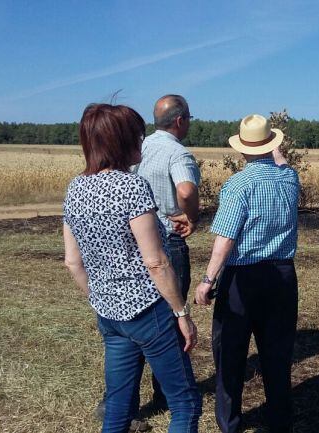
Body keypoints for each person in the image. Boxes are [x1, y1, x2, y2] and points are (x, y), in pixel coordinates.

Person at [63, 103, 202, 433]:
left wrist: (100, 297)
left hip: (109, 315)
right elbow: (155, 261)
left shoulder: (75, 188)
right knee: (185, 404)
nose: (142, 142)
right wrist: (181, 313)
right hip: (148, 311)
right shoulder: (131, 187)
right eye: (137, 135)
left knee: (118, 406)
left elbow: (72, 261)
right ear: (121, 141)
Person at [194, 114, 300, 433]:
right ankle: (279, 422)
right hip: (282, 276)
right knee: (277, 353)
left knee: (231, 352)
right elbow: (280, 162)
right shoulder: (289, 178)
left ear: (242, 151)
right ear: (272, 145)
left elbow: (225, 239)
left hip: (242, 278)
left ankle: (230, 424)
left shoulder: (239, 184)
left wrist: (208, 279)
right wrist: (274, 144)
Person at [131, 94, 201, 409]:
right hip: (167, 241)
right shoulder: (178, 153)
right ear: (179, 120)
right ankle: (168, 392)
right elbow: (186, 190)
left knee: (139, 316)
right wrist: (192, 216)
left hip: (136, 241)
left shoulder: (138, 149)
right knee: (173, 315)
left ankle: (127, 398)